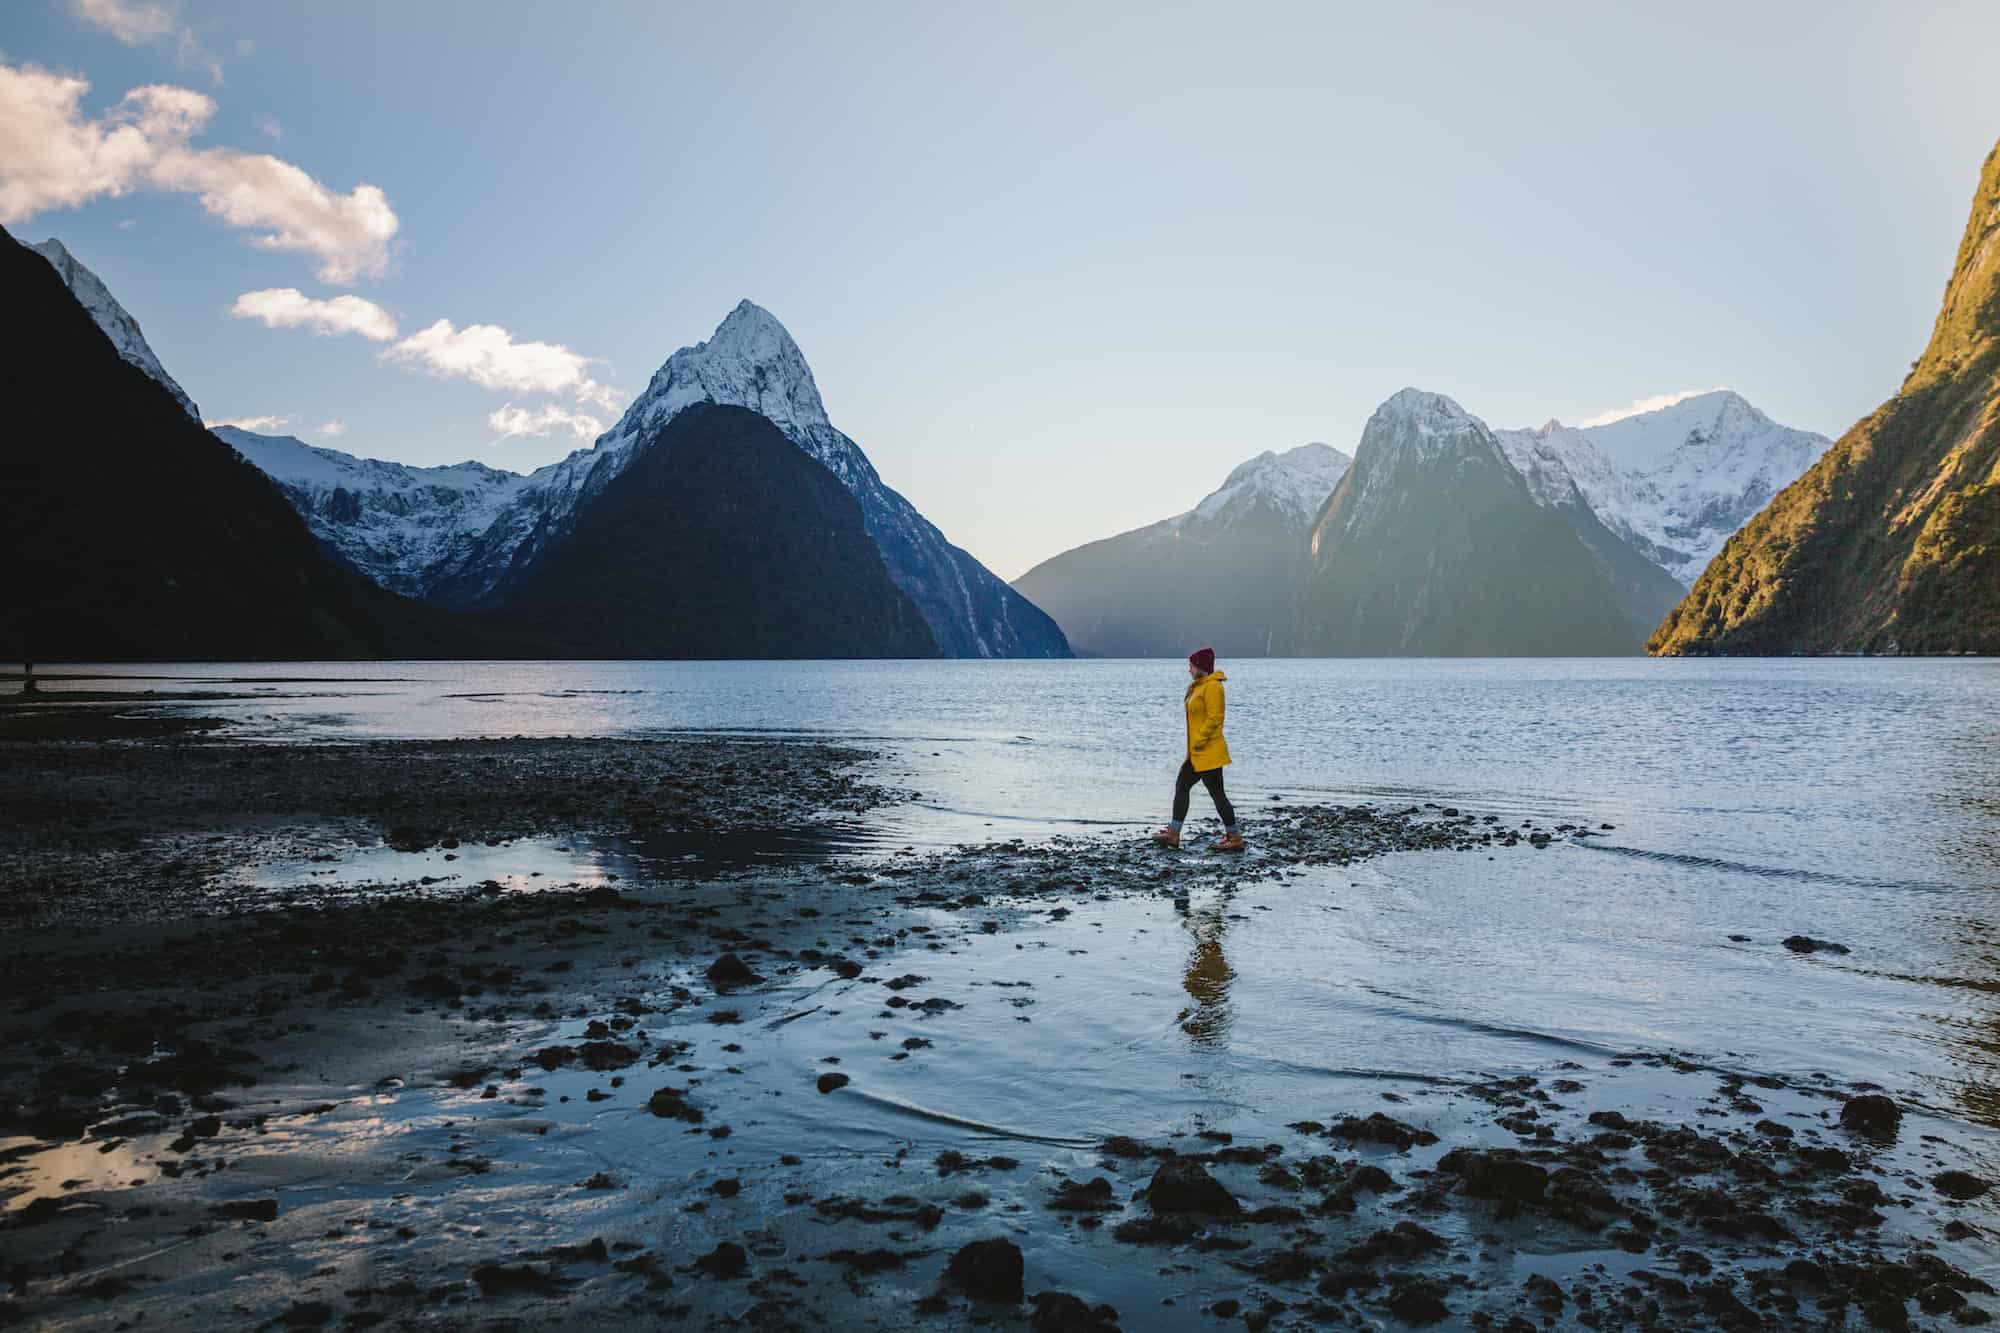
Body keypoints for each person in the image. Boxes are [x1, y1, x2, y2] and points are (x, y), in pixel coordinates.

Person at [1154, 647, 1244, 851]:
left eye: (1192, 666)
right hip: (1197, 753)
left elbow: (1215, 718)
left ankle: (1235, 838)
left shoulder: (1213, 687)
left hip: (1208, 752)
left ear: (1201, 667)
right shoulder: (1199, 686)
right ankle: (1174, 833)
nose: (1189, 670)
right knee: (1183, 786)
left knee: (1216, 794)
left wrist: (1199, 741)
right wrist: (1194, 747)